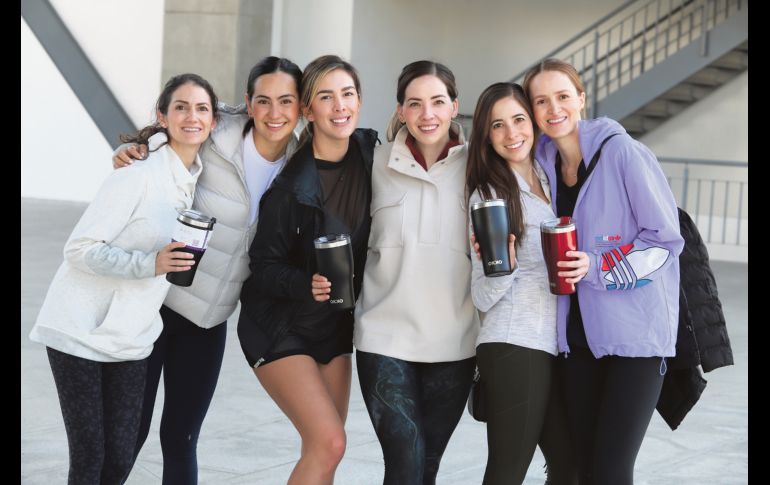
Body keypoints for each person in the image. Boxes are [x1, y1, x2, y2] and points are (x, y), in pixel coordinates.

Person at [112, 57, 302, 484]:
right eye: (264, 101)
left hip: (208, 320)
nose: (275, 113)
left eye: (286, 101)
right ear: (248, 104)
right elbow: (165, 144)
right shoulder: (218, 134)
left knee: (181, 439)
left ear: (300, 107)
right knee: (129, 433)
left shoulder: (301, 163)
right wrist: (130, 151)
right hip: (155, 305)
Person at [29, 73, 218, 485]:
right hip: (79, 330)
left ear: (214, 121)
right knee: (90, 459)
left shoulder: (194, 180)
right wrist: (149, 264)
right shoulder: (137, 173)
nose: (192, 116)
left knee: (119, 460)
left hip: (133, 338)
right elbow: (79, 249)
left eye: (202, 108)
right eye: (181, 107)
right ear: (162, 116)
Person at [522, 58, 684, 485]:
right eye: (541, 101)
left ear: (581, 99)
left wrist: (598, 268)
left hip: (636, 339)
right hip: (576, 341)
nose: (553, 109)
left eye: (561, 96)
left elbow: (665, 242)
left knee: (611, 471)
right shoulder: (541, 168)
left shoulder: (624, 153)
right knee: (581, 467)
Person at [237, 54, 378, 484]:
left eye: (348, 94)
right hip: (279, 324)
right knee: (330, 442)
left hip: (334, 326)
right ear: (307, 110)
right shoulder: (288, 187)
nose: (340, 106)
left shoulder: (373, 154)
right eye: (326, 97)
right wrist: (305, 283)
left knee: (325, 450)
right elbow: (261, 267)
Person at [354, 60, 477, 485]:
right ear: (401, 110)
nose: (428, 114)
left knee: (426, 468)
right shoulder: (372, 163)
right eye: (416, 103)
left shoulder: (480, 167)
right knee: (404, 465)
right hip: (384, 339)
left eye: (438, 102)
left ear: (455, 107)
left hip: (455, 343)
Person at [465, 81, 578, 485]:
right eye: (498, 125)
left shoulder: (551, 177)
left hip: (552, 345)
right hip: (515, 341)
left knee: (570, 469)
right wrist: (505, 266)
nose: (512, 134)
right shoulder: (490, 195)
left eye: (518, 120)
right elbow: (481, 293)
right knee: (507, 471)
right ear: (486, 134)